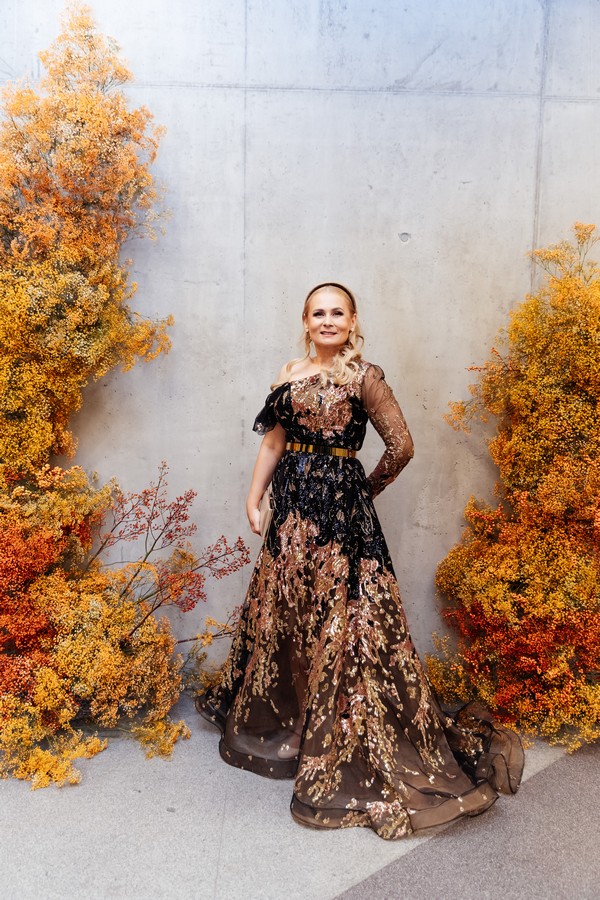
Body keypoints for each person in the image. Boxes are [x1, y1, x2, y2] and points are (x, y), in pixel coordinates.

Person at [196, 282, 524, 840]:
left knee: (346, 625)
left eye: (337, 313)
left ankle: (340, 737)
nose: (327, 321)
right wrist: (253, 498)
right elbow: (273, 443)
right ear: (306, 322)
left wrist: (362, 490)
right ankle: (294, 725)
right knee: (291, 613)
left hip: (342, 520)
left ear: (352, 321)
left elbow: (402, 447)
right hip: (292, 517)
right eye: (318, 313)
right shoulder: (289, 374)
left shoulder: (365, 377)